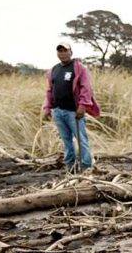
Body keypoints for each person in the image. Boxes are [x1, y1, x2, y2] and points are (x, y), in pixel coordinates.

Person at [42, 42, 101, 172]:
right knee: (66, 140)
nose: (62, 54)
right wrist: (47, 108)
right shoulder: (54, 70)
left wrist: (83, 106)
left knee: (82, 140)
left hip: (73, 112)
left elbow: (86, 88)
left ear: (71, 52)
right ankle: (70, 166)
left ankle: (86, 167)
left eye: (65, 51)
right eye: (60, 51)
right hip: (58, 111)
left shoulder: (79, 68)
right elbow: (49, 90)